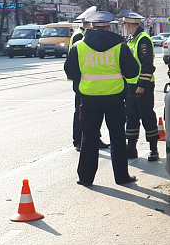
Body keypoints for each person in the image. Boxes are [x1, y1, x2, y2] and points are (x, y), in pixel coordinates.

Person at [64, 11, 139, 186]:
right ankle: (121, 177)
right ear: (108, 27)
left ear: (91, 27)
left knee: (89, 139)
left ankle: (86, 178)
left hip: (89, 100)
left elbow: (70, 72)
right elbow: (132, 72)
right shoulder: (120, 47)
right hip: (115, 100)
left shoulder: (79, 47)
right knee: (118, 138)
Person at [120, 10, 160, 161]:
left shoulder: (143, 40)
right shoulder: (131, 39)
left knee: (147, 117)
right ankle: (131, 148)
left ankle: (153, 150)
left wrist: (141, 85)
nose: (124, 27)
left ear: (129, 24)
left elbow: (147, 65)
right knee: (131, 117)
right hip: (130, 86)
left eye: (125, 24)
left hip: (143, 86)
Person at [70, 7, 108, 152]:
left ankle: (95, 138)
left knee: (93, 113)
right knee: (80, 113)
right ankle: (78, 140)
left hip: (88, 79)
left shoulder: (83, 34)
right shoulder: (79, 36)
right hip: (82, 80)